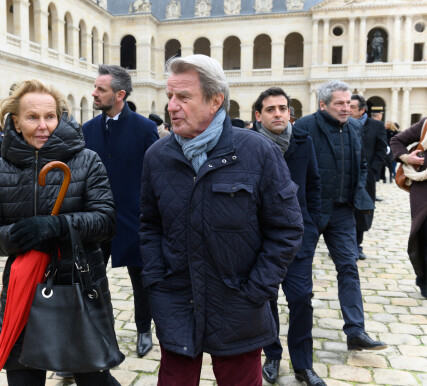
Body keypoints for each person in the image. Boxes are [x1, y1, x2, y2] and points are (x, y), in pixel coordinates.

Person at [140, 55, 304, 385]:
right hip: (177, 301)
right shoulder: (157, 156)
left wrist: (257, 289)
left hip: (240, 304)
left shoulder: (258, 152)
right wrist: (157, 283)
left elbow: (286, 229)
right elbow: (150, 225)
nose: (172, 106)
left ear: (216, 100)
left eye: (183, 97)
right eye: (170, 96)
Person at [0, 79, 120, 386]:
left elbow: (106, 222)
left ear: (60, 116)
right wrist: (16, 235)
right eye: (32, 117)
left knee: (95, 380)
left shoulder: (86, 161)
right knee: (23, 379)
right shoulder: (0, 169)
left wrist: (57, 226)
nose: (43, 126)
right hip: (25, 291)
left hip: (78, 286)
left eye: (50, 116)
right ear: (15, 120)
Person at [293, 80, 387, 351]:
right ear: (323, 105)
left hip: (343, 212)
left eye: (349, 103)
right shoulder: (304, 128)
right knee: (301, 275)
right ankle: (301, 335)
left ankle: (356, 331)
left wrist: (358, 191)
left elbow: (362, 161)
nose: (347, 108)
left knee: (349, 267)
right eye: (340, 103)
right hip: (309, 214)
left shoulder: (356, 127)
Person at [83, 64, 159, 358]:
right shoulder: (87, 130)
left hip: (134, 221)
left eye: (100, 89)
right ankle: (95, 331)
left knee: (142, 282)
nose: (94, 93)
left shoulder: (145, 129)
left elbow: (155, 177)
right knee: (90, 281)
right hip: (95, 223)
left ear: (120, 94)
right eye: (95, 87)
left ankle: (143, 329)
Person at [253, 87, 324, 386]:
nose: (279, 113)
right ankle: (272, 355)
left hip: (298, 239)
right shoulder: (249, 145)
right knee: (266, 301)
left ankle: (303, 365)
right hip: (260, 241)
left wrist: (312, 228)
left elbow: (314, 186)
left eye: (283, 108)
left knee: (301, 300)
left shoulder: (304, 142)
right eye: (271, 109)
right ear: (258, 115)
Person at [390, 117, 427, 298]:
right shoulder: (426, 124)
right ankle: (425, 278)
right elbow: (397, 140)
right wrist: (407, 157)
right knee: (424, 233)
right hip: (424, 190)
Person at [349, 95, 388, 260]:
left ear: (362, 110)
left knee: (362, 211)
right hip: (346, 175)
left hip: (367, 177)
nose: (347, 109)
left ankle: (357, 245)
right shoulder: (341, 124)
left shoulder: (377, 126)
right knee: (345, 211)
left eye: (352, 107)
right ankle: (343, 245)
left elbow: (381, 150)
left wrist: (372, 170)